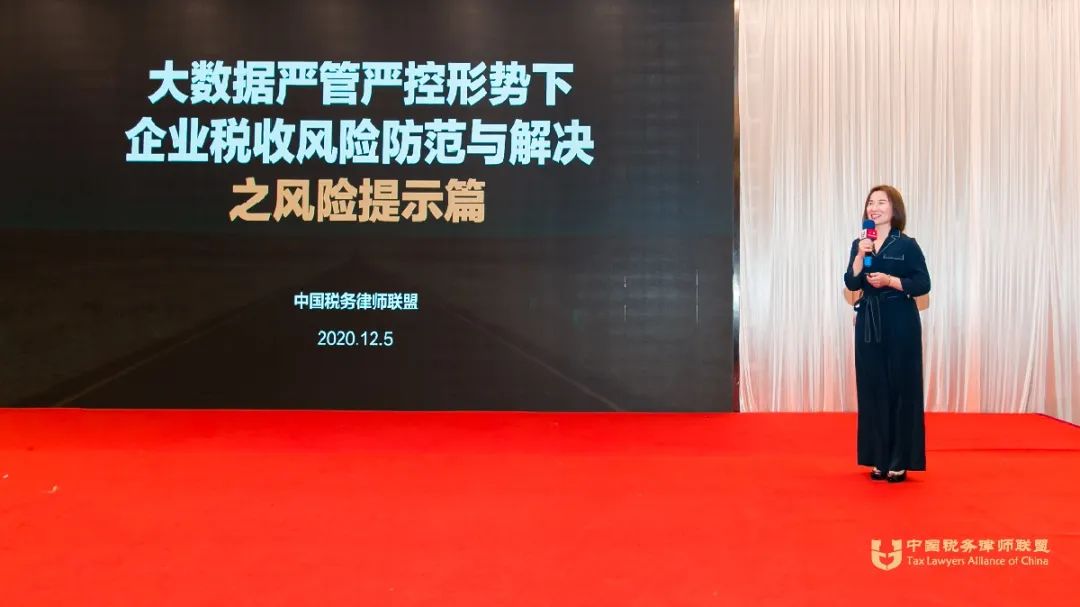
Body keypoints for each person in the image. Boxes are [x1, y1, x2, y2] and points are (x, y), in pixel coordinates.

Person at [843, 185, 931, 483]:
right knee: (873, 389)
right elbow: (852, 283)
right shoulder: (860, 243)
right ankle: (878, 457)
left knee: (900, 389)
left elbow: (923, 284)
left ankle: (899, 460)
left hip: (899, 320)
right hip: (869, 322)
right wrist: (859, 254)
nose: (875, 207)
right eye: (871, 202)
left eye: (882, 202)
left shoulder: (907, 245)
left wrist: (891, 280)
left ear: (894, 209)